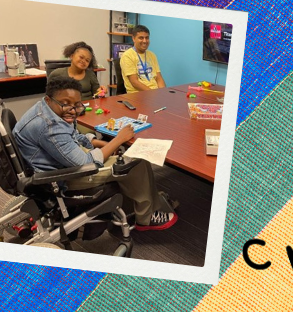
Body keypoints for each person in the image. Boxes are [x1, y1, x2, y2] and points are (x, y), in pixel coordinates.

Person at [13, 78, 177, 231]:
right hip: (61, 177)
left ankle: (150, 199)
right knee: (135, 163)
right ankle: (146, 217)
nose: (72, 110)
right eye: (66, 104)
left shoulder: (46, 108)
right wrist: (118, 139)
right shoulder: (49, 126)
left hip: (57, 161)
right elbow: (85, 163)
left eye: (77, 104)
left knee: (122, 156)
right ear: (49, 99)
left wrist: (100, 143)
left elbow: (73, 135)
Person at [120, 25, 166, 93]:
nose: (145, 41)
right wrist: (154, 94)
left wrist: (163, 92)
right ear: (133, 38)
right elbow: (134, 82)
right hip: (138, 95)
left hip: (155, 94)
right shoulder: (127, 56)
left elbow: (159, 78)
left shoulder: (152, 55)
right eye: (141, 38)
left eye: (147, 38)